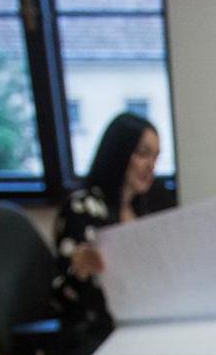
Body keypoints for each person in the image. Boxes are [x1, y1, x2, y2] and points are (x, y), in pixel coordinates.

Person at [51, 113, 163, 339]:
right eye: (143, 154)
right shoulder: (82, 208)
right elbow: (69, 288)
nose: (151, 165)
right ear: (119, 152)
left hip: (142, 321)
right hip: (97, 331)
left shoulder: (143, 209)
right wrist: (81, 266)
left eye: (155, 157)